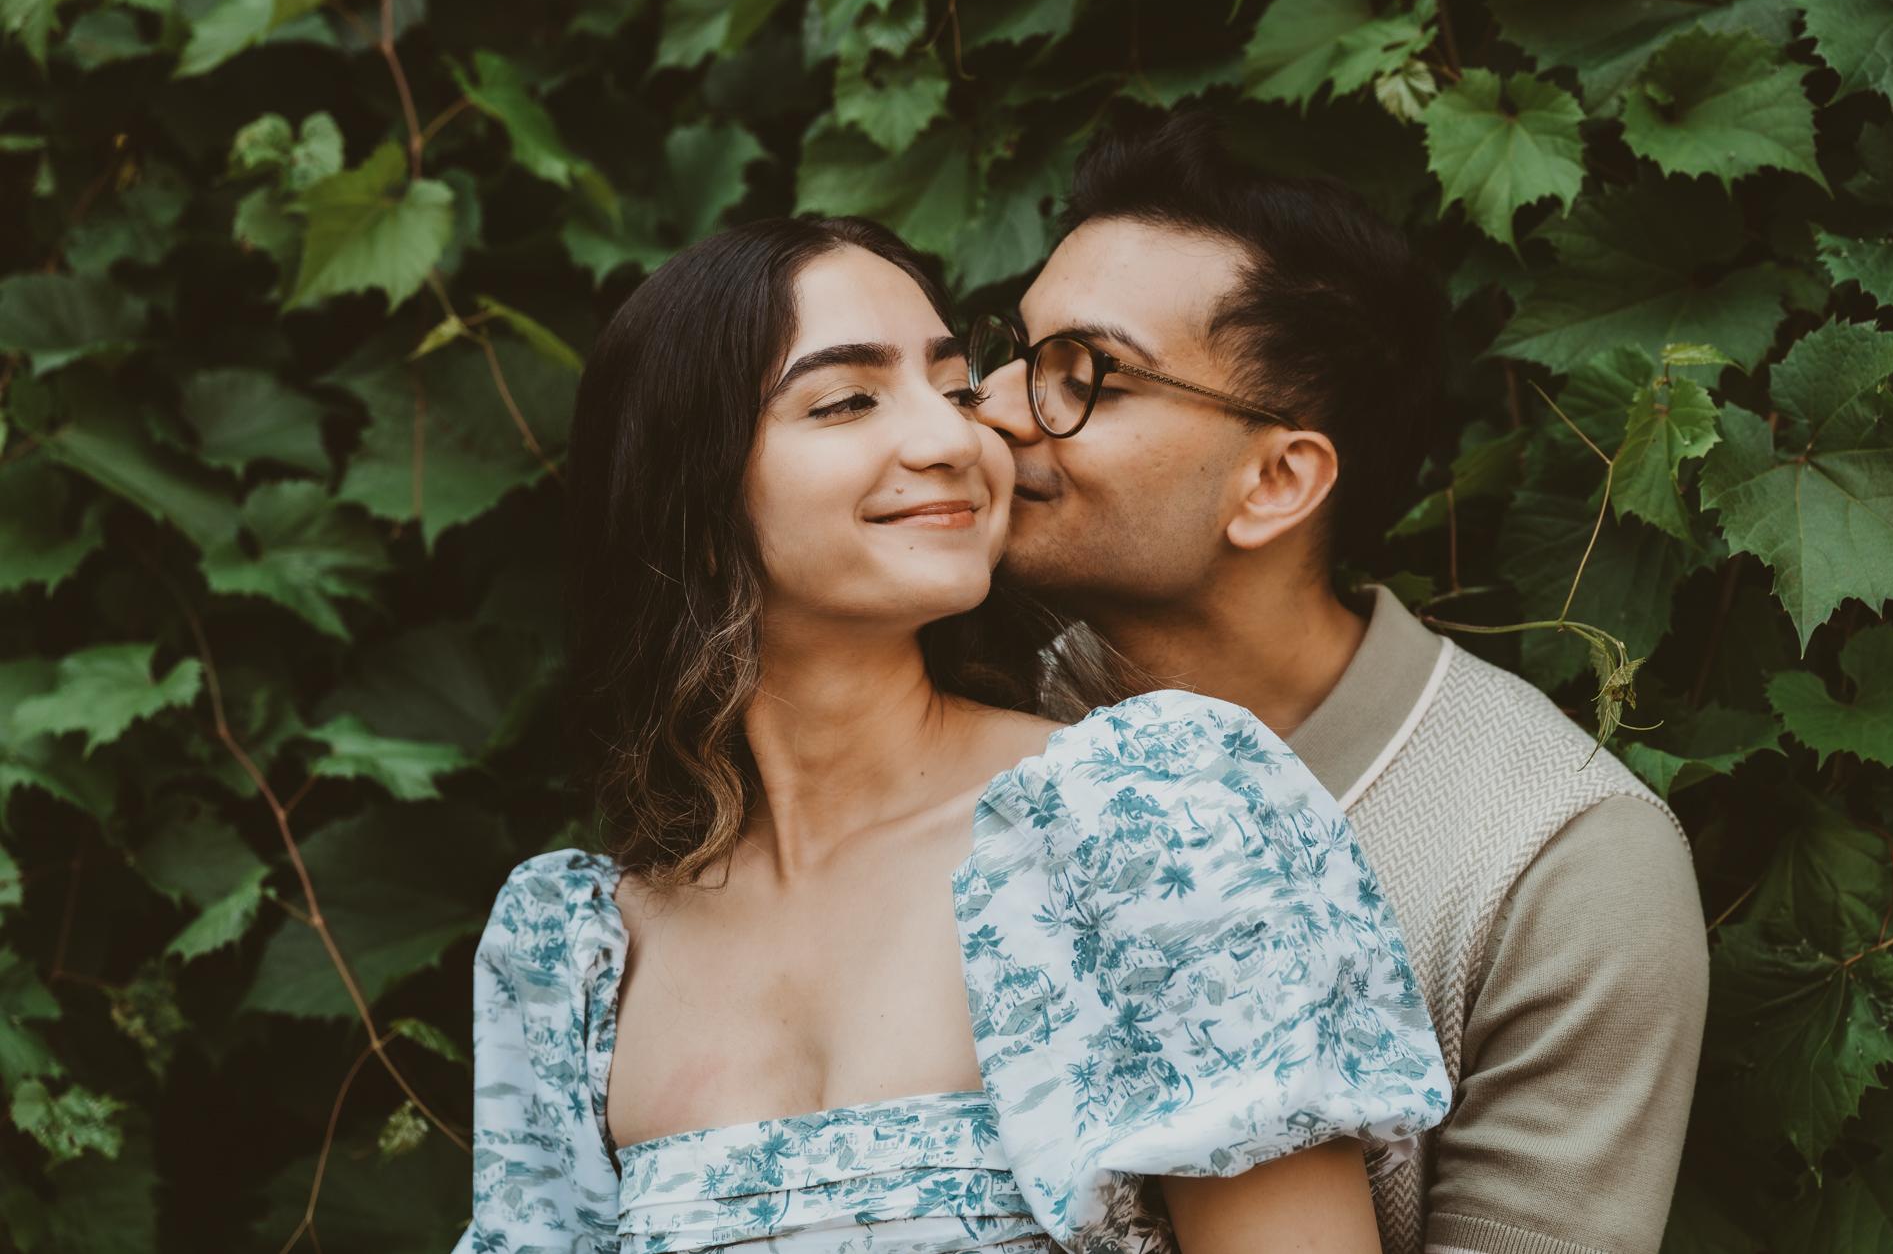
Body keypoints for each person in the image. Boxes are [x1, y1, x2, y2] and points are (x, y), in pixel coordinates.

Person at [454, 213, 1451, 1253]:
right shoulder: (573, 955)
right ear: (690, 501)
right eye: (845, 400)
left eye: (955, 384)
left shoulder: (1153, 819)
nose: (952, 439)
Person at [966, 111, 1708, 1254]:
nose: (996, 407)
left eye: (1083, 376)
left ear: (1274, 480)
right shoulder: (953, 701)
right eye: (1013, 353)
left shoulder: (1553, 858)